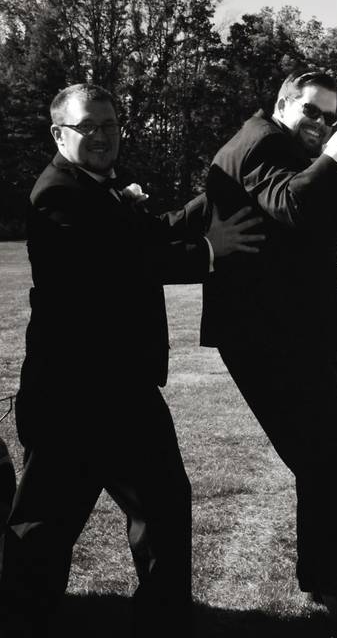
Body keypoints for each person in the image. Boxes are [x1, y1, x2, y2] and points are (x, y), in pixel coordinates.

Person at [0, 83, 261, 637]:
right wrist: (213, 252)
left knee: (164, 508)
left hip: (125, 393)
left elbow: (149, 233)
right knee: (43, 527)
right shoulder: (56, 196)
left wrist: (214, 198)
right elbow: (120, 265)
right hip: (71, 398)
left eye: (110, 124)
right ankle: (23, 621)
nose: (101, 136)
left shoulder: (99, 188)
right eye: (87, 127)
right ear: (58, 134)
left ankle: (163, 622)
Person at [200, 69, 337, 612]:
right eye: (311, 111)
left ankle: (330, 574)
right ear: (282, 103)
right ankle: (333, 581)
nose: (321, 123)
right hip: (271, 336)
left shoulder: (269, 143)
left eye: (330, 116)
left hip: (295, 331)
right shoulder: (262, 142)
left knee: (324, 457)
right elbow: (293, 204)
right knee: (325, 457)